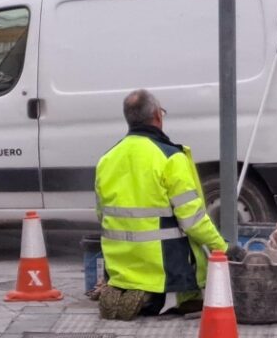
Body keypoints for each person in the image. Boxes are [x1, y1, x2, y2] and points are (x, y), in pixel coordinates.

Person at [95, 89, 239, 320]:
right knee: (197, 287)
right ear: (157, 116)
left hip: (120, 268)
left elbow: (102, 217)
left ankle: (126, 290)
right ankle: (157, 298)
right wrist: (222, 247)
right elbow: (193, 222)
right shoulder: (170, 158)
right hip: (163, 274)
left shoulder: (107, 159)